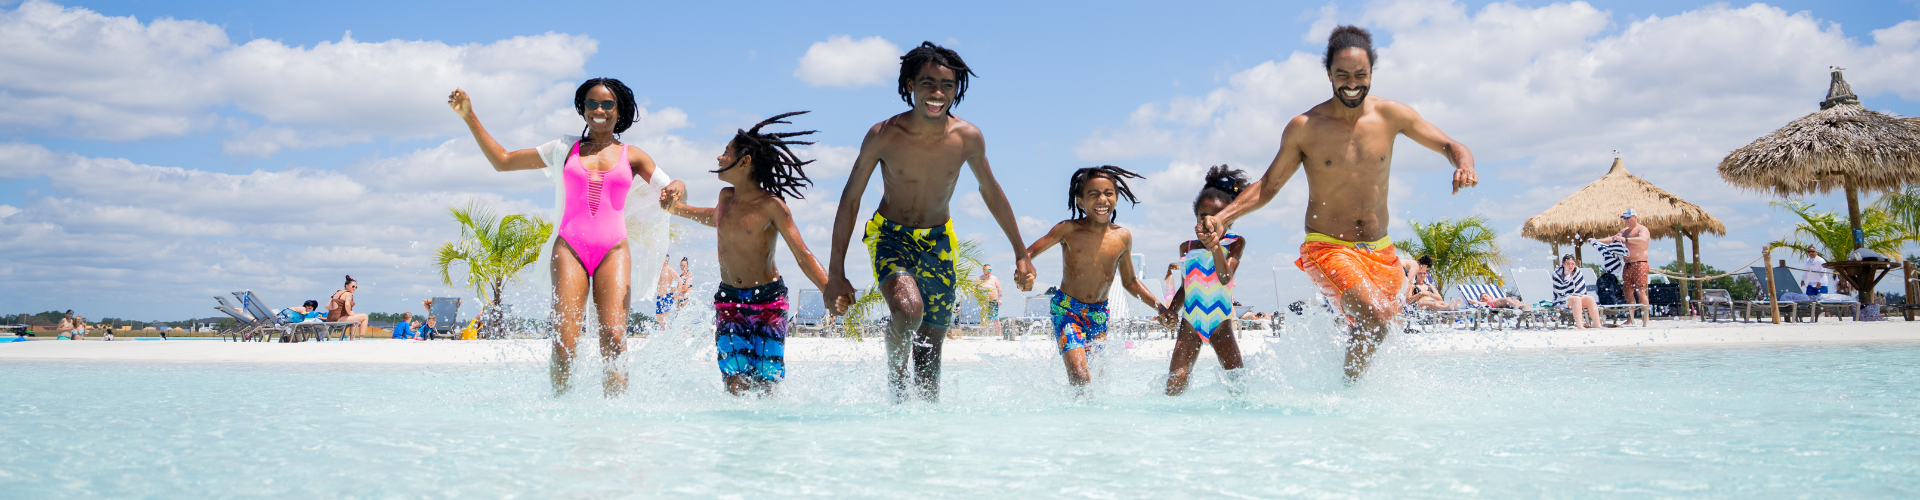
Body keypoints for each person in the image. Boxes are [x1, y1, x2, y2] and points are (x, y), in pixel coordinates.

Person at [1201, 26, 1478, 381]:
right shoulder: (1305, 127)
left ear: (1372, 74)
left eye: (1360, 75)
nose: (1352, 83)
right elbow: (1268, 185)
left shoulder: (1392, 115)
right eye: (1342, 75)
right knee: (1375, 317)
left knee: (1384, 325)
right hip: (1328, 245)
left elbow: (1451, 146)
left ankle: (1345, 394)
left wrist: (1464, 165)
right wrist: (1224, 217)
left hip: (1381, 249)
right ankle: (1349, 396)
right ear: (1329, 74)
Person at [822, 41, 1036, 403]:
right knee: (908, 311)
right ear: (909, 85)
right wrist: (835, 272)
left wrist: (1021, 251)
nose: (937, 93)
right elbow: (851, 198)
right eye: (927, 84)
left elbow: (991, 190)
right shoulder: (883, 135)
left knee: (931, 347)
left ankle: (923, 431)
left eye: (947, 85)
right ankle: (896, 383)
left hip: (939, 241)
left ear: (957, 89)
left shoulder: (967, 137)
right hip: (891, 236)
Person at [450, 77, 671, 397]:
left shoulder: (633, 155)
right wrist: (469, 116)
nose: (599, 109)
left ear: (618, 110)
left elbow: (670, 192)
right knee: (565, 342)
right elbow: (502, 161)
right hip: (570, 247)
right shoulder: (563, 149)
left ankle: (616, 414)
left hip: (614, 249)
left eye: (607, 104)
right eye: (591, 103)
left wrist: (677, 189)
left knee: (613, 337)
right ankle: (561, 407)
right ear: (582, 109)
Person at [660, 112, 831, 397]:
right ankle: (738, 439)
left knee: (766, 382)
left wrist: (828, 289)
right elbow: (714, 217)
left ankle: (765, 438)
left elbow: (802, 254)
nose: (718, 157)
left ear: (745, 162)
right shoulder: (726, 198)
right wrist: (677, 209)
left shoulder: (772, 206)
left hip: (768, 302)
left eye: (726, 152)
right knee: (733, 381)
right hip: (729, 300)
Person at [1022, 166, 1162, 392]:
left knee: (1098, 378)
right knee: (1079, 376)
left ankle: (1094, 424)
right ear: (1080, 202)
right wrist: (1025, 272)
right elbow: (1027, 254)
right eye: (1093, 194)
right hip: (1067, 309)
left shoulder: (1123, 237)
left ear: (1116, 198)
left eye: (1108, 193)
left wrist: (1160, 307)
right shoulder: (1067, 229)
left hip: (1099, 313)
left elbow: (1130, 282)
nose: (1102, 199)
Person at [1165, 166, 1250, 396]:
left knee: (1237, 385)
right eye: (1203, 217)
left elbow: (1224, 278)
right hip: (1190, 322)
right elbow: (1185, 286)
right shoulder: (1187, 247)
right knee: (1175, 383)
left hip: (1220, 323)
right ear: (1196, 218)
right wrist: (1172, 309)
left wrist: (1214, 247)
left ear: (1228, 221)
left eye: (1216, 218)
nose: (1209, 223)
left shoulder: (1234, 243)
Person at [1595, 209, 1651, 323]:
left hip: (1640, 263)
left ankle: (1646, 319)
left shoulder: (1642, 229)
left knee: (1640, 291)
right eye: (1624, 218)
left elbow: (1643, 240)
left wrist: (1625, 239)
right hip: (1628, 264)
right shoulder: (1624, 231)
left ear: (1635, 217)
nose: (1626, 220)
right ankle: (1630, 319)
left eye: (1628, 218)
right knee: (1628, 292)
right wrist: (1597, 241)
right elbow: (1612, 239)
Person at [1554, 254, 1605, 329]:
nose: (1570, 266)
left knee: (1590, 298)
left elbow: (1581, 288)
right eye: (1568, 264)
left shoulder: (1578, 273)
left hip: (1576, 297)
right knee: (1576, 299)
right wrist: (1567, 276)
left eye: (1572, 264)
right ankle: (1580, 326)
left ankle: (1598, 325)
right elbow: (1559, 291)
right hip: (1561, 299)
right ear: (1563, 264)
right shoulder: (1557, 274)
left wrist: (1577, 294)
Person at [327, 275, 370, 340]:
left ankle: (352, 338)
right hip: (338, 319)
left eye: (356, 287)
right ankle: (361, 338)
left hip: (330, 319)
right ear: (346, 286)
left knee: (354, 318)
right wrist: (349, 312)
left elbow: (327, 306)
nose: (354, 288)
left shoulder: (337, 293)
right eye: (353, 286)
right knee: (365, 317)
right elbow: (347, 304)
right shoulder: (348, 294)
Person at [977, 264, 1004, 340]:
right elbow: (975, 290)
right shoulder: (979, 279)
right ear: (983, 270)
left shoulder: (994, 278)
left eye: (990, 270)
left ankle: (999, 334)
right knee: (985, 319)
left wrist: (1000, 299)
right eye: (988, 270)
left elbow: (999, 289)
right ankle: (986, 335)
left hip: (993, 301)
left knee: (996, 318)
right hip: (984, 302)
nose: (989, 271)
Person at [653, 259, 677, 327]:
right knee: (658, 317)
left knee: (665, 316)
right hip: (660, 296)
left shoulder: (669, 269)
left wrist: (676, 294)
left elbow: (679, 280)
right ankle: (665, 332)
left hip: (667, 295)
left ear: (666, 260)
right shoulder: (659, 270)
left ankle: (667, 332)